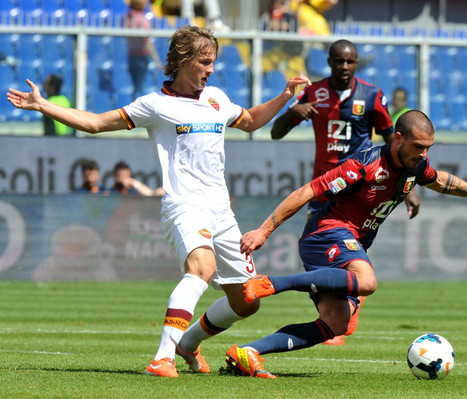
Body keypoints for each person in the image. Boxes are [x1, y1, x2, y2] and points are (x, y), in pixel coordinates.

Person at [7, 25, 310, 378]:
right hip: (184, 204)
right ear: (183, 60)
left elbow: (253, 121)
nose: (211, 69)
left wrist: (284, 95)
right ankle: (161, 358)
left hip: (221, 211)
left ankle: (187, 344)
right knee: (201, 268)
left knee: (247, 301)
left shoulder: (216, 98)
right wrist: (43, 106)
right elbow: (93, 123)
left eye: (213, 62)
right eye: (205, 61)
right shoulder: (155, 105)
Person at [224, 110, 467, 379]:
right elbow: (307, 191)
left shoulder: (416, 166)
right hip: (326, 233)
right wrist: (264, 230)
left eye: (428, 147)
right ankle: (273, 283)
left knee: (336, 322)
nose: (424, 153)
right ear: (399, 138)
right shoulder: (362, 166)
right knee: (366, 282)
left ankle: (247, 353)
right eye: (418, 146)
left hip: (349, 242)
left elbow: (441, 181)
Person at [270, 39, 421, 345]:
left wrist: (406, 186)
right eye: (339, 61)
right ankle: (335, 314)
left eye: (350, 62)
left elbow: (393, 139)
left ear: (356, 64)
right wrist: (293, 111)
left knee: (352, 250)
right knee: (320, 249)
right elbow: (276, 132)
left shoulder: (372, 95)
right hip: (326, 186)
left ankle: (345, 308)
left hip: (361, 188)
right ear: (329, 62)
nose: (344, 67)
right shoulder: (314, 93)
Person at [125, 0, 164, 101]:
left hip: (131, 56)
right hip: (141, 57)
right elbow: (147, 42)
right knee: (138, 87)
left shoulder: (127, 17)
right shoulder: (142, 19)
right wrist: (157, 61)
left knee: (135, 86)